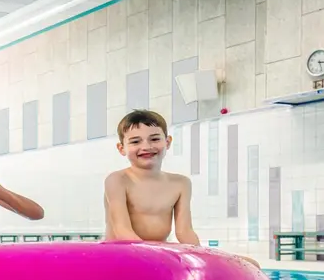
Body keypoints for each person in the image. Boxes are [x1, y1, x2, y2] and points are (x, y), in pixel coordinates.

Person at [103, 109, 261, 269]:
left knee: (250, 265)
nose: (146, 146)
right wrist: (153, 255)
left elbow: (184, 231)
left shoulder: (180, 183)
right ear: (121, 148)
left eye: (155, 139)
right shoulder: (118, 180)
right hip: (122, 251)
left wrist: (202, 259)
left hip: (158, 249)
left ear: (168, 142)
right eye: (135, 141)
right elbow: (122, 231)